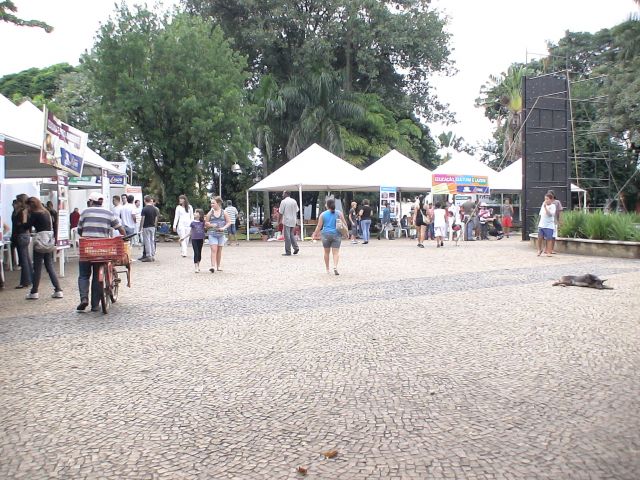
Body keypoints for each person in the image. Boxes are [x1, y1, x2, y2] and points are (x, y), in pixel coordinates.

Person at [76, 192, 125, 311]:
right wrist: (124, 236)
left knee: (83, 275)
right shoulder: (109, 213)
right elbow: (120, 228)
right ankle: (95, 305)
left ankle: (84, 299)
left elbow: (79, 230)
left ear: (90, 201)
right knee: (97, 276)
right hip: (102, 251)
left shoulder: (85, 212)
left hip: (87, 250)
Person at [24, 197, 63, 300]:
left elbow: (26, 226)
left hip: (40, 242)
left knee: (37, 267)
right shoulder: (46, 212)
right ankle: (58, 290)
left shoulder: (35, 214)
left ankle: (34, 291)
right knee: (49, 266)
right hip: (48, 241)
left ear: (31, 205)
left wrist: (25, 215)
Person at [312, 197, 348, 275]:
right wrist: (346, 233)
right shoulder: (339, 213)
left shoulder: (323, 214)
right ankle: (335, 266)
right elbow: (344, 223)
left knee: (326, 252)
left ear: (327, 205)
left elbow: (319, 226)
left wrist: (315, 234)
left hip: (325, 235)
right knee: (336, 252)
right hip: (336, 234)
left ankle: (327, 269)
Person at [205, 196, 232, 272]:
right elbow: (206, 224)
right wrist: (211, 225)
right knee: (214, 249)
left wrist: (224, 228)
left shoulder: (224, 212)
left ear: (218, 203)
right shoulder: (210, 213)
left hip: (221, 234)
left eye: (213, 203)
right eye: (211, 203)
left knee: (219, 250)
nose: (212, 205)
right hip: (212, 234)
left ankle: (218, 266)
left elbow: (229, 222)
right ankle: (212, 266)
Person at [12, 194, 33, 289]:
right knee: (26, 259)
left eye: (18, 201)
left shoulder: (22, 212)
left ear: (21, 202)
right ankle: (30, 279)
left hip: (21, 235)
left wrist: (19, 224)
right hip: (24, 235)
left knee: (23, 259)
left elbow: (24, 224)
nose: (16, 202)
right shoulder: (23, 211)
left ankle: (25, 281)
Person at [278, 191, 300, 256]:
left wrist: (279, 221)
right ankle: (296, 247)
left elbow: (281, 212)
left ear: (286, 194)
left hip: (287, 220)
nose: (282, 195)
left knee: (287, 236)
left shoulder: (283, 202)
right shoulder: (294, 201)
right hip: (293, 220)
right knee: (291, 234)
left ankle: (288, 251)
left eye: (283, 194)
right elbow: (296, 211)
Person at [139, 195, 158, 262]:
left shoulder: (144, 209)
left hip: (146, 226)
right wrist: (155, 225)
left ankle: (148, 256)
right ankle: (152, 254)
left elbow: (143, 219)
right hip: (153, 226)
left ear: (144, 200)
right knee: (152, 241)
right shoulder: (154, 209)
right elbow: (156, 218)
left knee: (147, 241)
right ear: (150, 200)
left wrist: (140, 227)